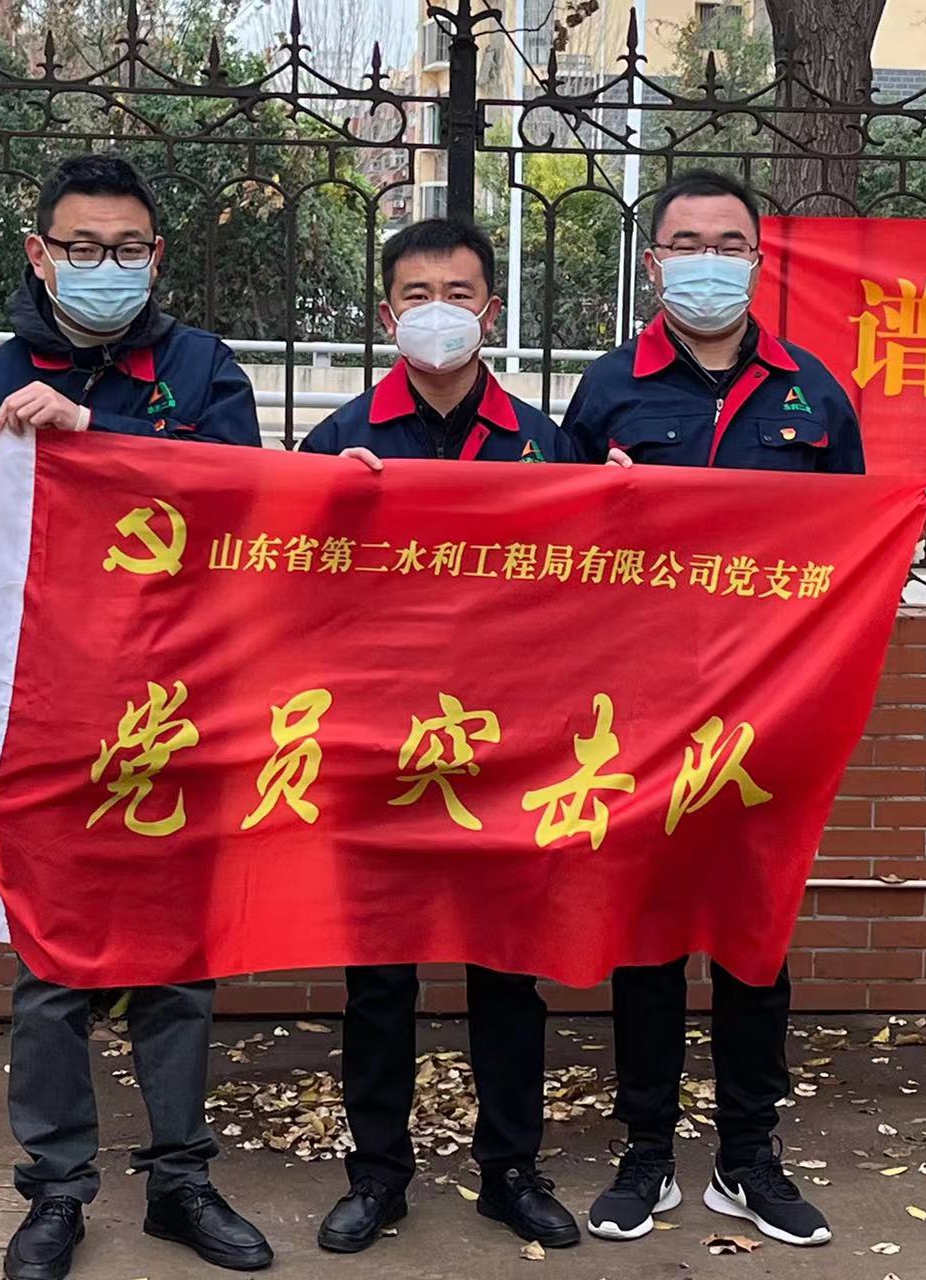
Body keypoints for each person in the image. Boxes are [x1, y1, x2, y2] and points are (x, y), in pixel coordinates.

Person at [562, 169, 926, 1250]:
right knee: (645, 938)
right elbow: (552, 557)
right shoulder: (608, 392)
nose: (708, 261)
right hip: (641, 708)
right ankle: (646, 1152)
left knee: (753, 936)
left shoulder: (812, 394)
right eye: (686, 242)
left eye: (727, 243)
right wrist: (598, 501)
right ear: (654, 263)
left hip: (768, 711)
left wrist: (902, 523)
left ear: (757, 259)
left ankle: (748, 1155)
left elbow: (848, 557)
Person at [0, 154, 273, 1280]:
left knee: (177, 962)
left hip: (177, 714)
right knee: (53, 970)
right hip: (44, 724)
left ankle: (181, 1180)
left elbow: (244, 504)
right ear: (39, 254)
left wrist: (92, 436)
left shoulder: (202, 370)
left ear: (156, 257)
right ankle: (57, 1189)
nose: (106, 266)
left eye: (127, 249)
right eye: (82, 248)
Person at [298, 217, 600, 1256]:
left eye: (459, 293)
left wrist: (622, 503)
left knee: (508, 969)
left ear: (491, 311)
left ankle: (510, 1168)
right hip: (380, 750)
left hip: (507, 751)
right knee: (378, 977)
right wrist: (327, 511)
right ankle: (377, 1173)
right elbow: (290, 596)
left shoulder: (543, 443)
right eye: (418, 294)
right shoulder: (338, 442)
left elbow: (591, 591)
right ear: (388, 315)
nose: (439, 312)